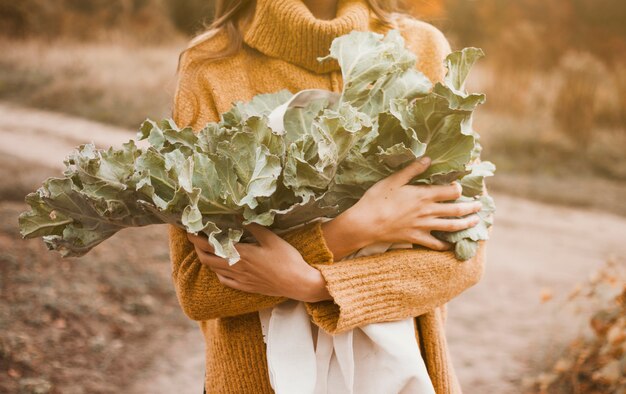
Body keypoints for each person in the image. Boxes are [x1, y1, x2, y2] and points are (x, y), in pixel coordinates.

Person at [169, 0, 487, 392]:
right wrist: (350, 232)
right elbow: (198, 287)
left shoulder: (422, 46)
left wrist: (315, 285)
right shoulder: (211, 65)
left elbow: (462, 257)